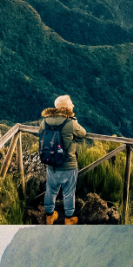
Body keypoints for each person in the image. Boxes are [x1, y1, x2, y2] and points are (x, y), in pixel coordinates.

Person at [37, 94, 90, 224]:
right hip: (68, 164)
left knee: (50, 189)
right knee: (68, 192)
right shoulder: (70, 123)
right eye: (71, 103)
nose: (73, 105)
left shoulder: (45, 121)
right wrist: (74, 127)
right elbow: (83, 134)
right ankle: (68, 218)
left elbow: (40, 134)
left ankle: (49, 215)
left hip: (51, 163)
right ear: (66, 107)